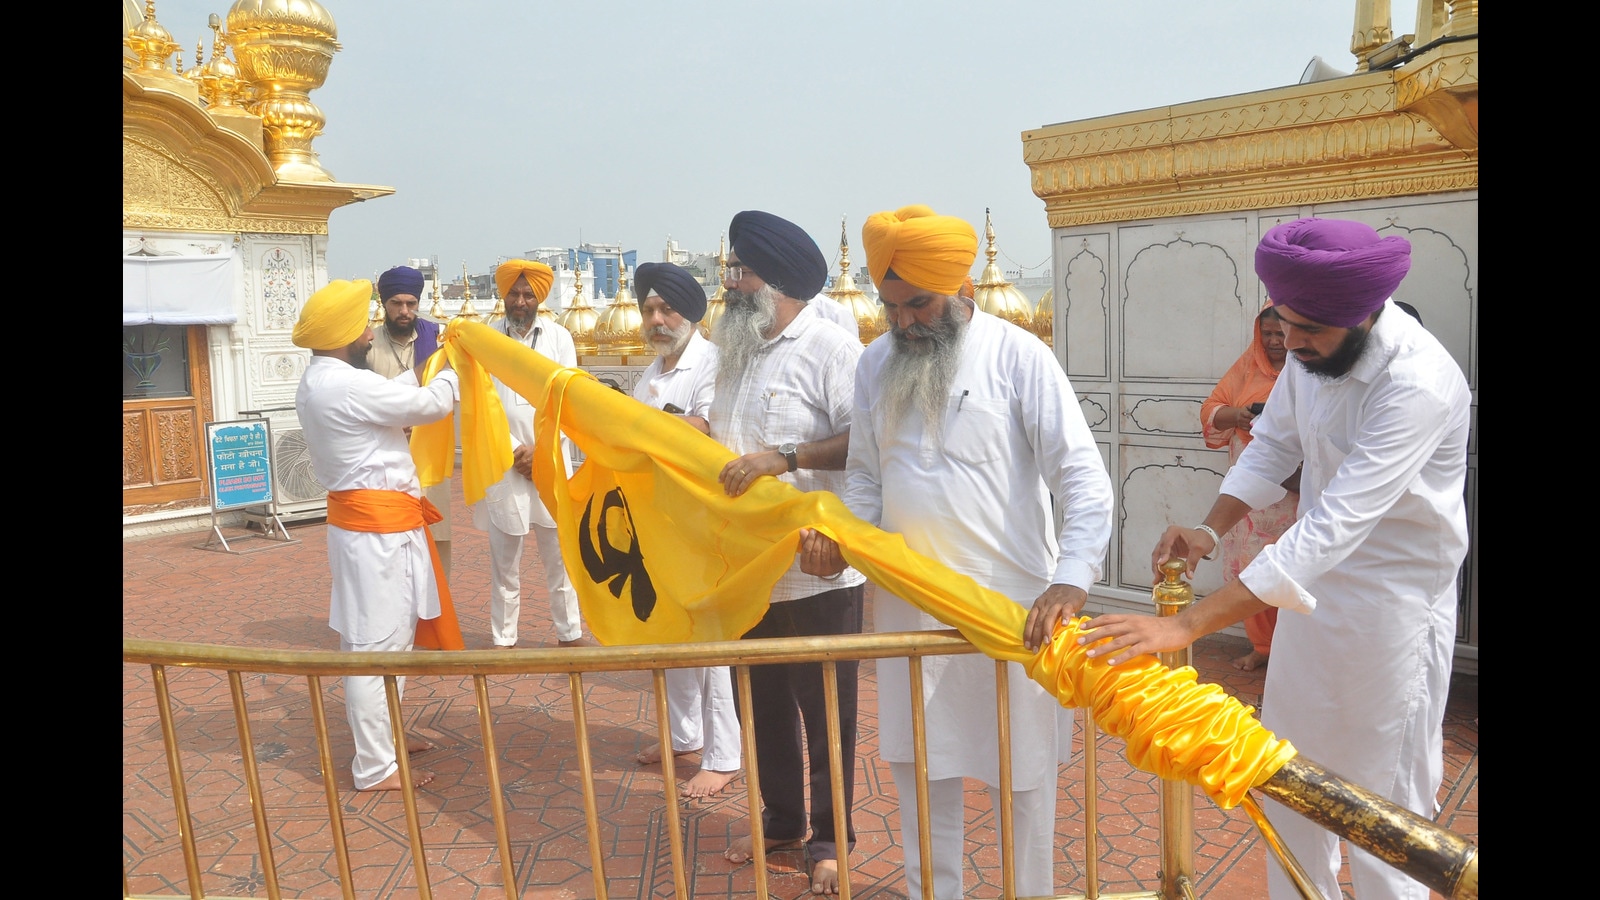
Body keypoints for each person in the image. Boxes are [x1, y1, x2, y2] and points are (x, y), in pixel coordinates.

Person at [1080, 218, 1470, 900]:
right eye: (1284, 326)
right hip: (1309, 609)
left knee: (1383, 812)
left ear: (1365, 315)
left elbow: (1333, 527)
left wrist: (1185, 626)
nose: (1291, 343)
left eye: (1307, 331)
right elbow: (1272, 446)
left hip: (1392, 621)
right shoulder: (1310, 354)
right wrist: (1208, 529)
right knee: (1288, 780)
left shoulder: (1419, 382)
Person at [800, 205, 1115, 900]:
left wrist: (1070, 581)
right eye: (893, 307)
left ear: (961, 290)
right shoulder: (877, 363)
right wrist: (842, 543)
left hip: (1015, 610)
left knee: (1023, 779)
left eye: (920, 303)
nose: (906, 321)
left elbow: (1082, 477)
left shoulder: (1019, 355)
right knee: (922, 774)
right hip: (911, 611)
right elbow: (864, 478)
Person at [709, 210, 865, 894]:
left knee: (826, 708)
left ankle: (831, 838)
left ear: (774, 283)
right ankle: (780, 822)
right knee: (760, 701)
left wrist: (786, 457)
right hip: (749, 568)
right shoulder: (733, 355)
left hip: (818, 569)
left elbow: (870, 443)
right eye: (730, 271)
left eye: (739, 273)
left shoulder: (833, 350)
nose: (730, 285)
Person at [292, 279, 460, 791]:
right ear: (348, 333)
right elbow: (430, 406)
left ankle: (384, 739)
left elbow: (398, 394)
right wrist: (453, 372)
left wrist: (429, 363)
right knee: (373, 646)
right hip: (375, 534)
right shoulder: (344, 384)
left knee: (393, 637)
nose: (370, 335)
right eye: (363, 326)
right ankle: (374, 767)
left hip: (378, 528)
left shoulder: (324, 379)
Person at [627, 261, 741, 798]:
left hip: (703, 522)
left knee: (713, 640)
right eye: (648, 310)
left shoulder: (713, 364)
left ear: (689, 314)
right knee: (670, 632)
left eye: (665, 309)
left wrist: (640, 426)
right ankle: (684, 737)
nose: (655, 319)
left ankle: (724, 755)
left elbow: (703, 429)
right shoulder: (650, 373)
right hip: (660, 520)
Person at [471, 259, 590, 648]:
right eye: (514, 293)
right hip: (503, 464)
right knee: (505, 563)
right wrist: (513, 451)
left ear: (539, 298)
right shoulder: (486, 339)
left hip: (550, 459)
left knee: (561, 559)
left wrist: (540, 451)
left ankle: (569, 632)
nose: (520, 301)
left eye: (528, 294)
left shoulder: (559, 338)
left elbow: (569, 402)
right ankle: (503, 639)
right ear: (503, 295)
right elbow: (480, 404)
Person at [1200, 304, 1298, 671]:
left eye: (1281, 333)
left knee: (1290, 567)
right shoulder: (1247, 367)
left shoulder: (1308, 372)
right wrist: (1239, 415)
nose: (1275, 342)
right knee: (1250, 568)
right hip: (1248, 499)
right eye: (1267, 334)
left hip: (1292, 493)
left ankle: (1291, 652)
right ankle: (1263, 647)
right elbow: (1211, 408)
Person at [368, 265, 454, 580]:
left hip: (430, 456)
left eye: (411, 304)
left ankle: (439, 614)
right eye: (396, 304)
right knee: (391, 539)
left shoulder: (438, 339)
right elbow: (363, 402)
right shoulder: (366, 345)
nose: (404, 311)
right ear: (383, 303)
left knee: (437, 535)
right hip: (386, 461)